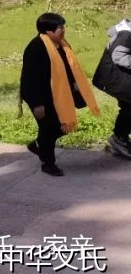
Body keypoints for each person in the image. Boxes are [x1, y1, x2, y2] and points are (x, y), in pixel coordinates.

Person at [20, 12, 101, 176]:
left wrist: (76, 85)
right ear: (48, 32)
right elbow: (30, 79)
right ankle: (48, 163)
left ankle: (38, 145)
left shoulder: (62, 45)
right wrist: (37, 104)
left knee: (59, 127)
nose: (63, 30)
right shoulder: (36, 48)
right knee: (48, 129)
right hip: (41, 97)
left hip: (58, 95)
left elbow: (68, 68)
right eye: (59, 28)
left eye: (63, 27)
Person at [92, 18, 131, 157]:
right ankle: (118, 139)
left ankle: (119, 139)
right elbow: (118, 56)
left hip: (119, 78)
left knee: (128, 107)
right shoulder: (127, 34)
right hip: (113, 78)